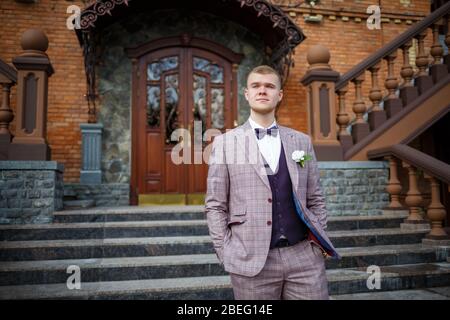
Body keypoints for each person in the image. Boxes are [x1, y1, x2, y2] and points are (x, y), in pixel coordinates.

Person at [205, 65, 340, 300]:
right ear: (247, 94)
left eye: (269, 86)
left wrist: (317, 241)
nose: (262, 91)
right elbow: (215, 205)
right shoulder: (225, 143)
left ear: (279, 95)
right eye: (256, 86)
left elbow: (315, 197)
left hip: (304, 257)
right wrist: (225, 251)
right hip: (251, 260)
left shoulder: (301, 141)